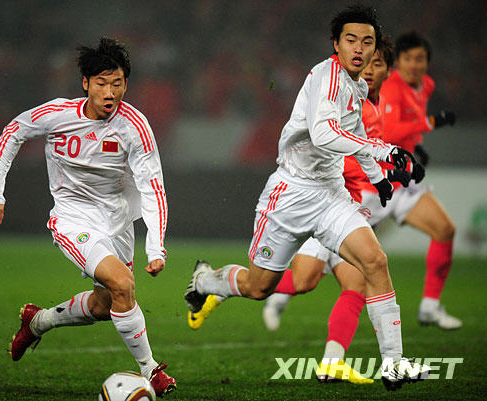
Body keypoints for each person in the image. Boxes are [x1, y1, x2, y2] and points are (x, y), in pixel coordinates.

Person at [184, 5, 430, 391]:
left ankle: (394, 364)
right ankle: (206, 281)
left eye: (367, 42)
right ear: (336, 44)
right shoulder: (325, 76)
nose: (359, 49)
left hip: (331, 195)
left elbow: (351, 139)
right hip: (290, 196)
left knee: (375, 261)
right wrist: (385, 152)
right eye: (351, 40)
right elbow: (323, 134)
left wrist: (377, 177)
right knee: (258, 287)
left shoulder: (358, 87)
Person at [0, 38, 176, 397]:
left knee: (106, 305)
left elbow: (153, 187)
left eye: (117, 84)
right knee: (123, 285)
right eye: (101, 83)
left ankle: (37, 321)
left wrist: (157, 248)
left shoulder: (135, 126)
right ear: (85, 83)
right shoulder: (58, 114)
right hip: (74, 219)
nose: (110, 92)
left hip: (118, 221)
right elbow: (14, 131)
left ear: (125, 85)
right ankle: (151, 370)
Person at [360, 31, 461, 329]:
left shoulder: (425, 86)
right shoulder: (390, 85)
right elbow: (388, 132)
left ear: (428, 63)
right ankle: (280, 290)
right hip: (376, 182)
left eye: (420, 59)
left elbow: (405, 129)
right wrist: (431, 123)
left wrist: (416, 147)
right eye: (407, 59)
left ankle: (430, 306)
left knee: (444, 229)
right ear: (396, 63)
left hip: (404, 183)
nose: (414, 65)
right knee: (327, 263)